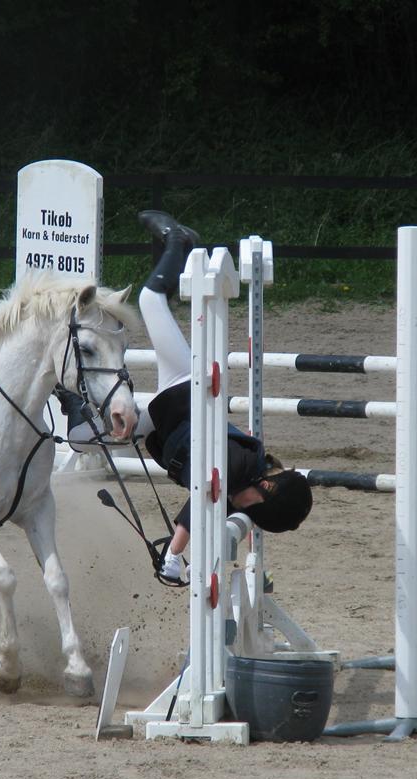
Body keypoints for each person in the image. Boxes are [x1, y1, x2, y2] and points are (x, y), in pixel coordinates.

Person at [132, 210, 313, 582]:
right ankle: (177, 240)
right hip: (183, 390)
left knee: (88, 437)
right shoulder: (235, 468)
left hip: (165, 423)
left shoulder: (244, 488)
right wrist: (174, 554)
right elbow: (198, 500)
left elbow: (218, 504)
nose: (240, 510)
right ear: (265, 486)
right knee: (150, 300)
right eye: (253, 510)